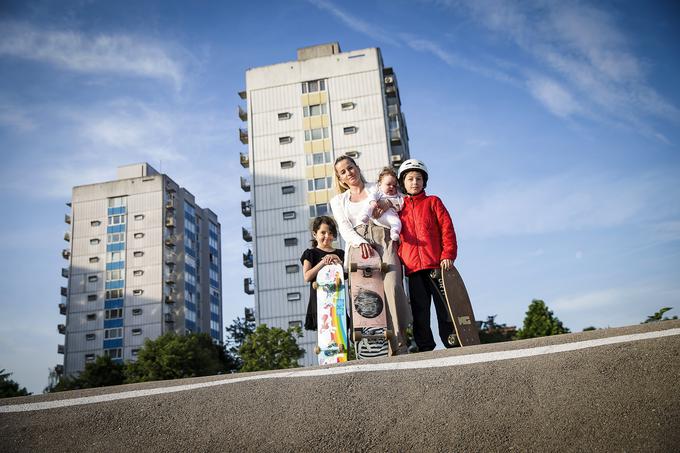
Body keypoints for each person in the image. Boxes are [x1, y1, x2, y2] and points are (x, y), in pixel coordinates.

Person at [330, 155, 410, 355]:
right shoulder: (338, 200)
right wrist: (361, 242)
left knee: (392, 286)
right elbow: (344, 228)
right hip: (359, 244)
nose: (349, 173)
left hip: (384, 238)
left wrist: (390, 205)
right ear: (340, 179)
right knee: (367, 296)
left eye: (351, 167)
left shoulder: (377, 187)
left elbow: (401, 201)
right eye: (343, 172)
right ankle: (371, 346)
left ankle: (399, 342)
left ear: (357, 167)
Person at [397, 158, 457, 352]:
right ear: (403, 183)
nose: (415, 182)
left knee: (444, 307)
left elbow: (447, 229)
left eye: (419, 179)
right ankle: (424, 346)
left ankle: (452, 341)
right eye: (410, 179)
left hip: (436, 266)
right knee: (420, 311)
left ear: (424, 182)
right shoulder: (399, 209)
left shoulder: (433, 202)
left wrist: (448, 254)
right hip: (413, 270)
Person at [300, 216, 345, 331]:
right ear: (315, 234)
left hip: (338, 299)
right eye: (323, 232)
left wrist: (339, 262)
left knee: (340, 328)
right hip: (320, 301)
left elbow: (347, 275)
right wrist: (323, 263)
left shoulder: (340, 253)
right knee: (325, 335)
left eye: (330, 233)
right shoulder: (310, 253)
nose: (327, 236)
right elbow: (307, 276)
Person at [360, 167, 404, 242]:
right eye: (388, 184)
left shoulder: (397, 195)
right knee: (368, 206)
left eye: (394, 185)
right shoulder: (379, 192)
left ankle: (394, 232)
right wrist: (373, 202)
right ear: (380, 184)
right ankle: (365, 215)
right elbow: (371, 196)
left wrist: (391, 204)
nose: (391, 187)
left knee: (397, 222)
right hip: (374, 215)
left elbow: (401, 204)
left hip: (389, 217)